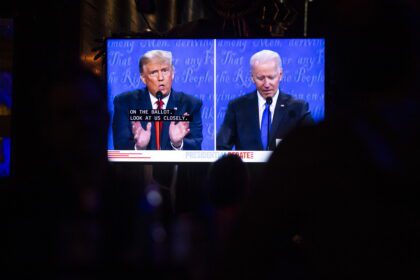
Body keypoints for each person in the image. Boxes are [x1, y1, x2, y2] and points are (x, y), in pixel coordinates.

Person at [216, 50, 314, 151]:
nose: (266, 84)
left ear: (280, 75)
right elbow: (221, 146)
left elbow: (313, 143)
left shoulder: (297, 108)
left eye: (271, 77)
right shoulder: (237, 107)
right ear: (252, 77)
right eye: (260, 78)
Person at [112, 50, 203, 150]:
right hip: (140, 166)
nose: (161, 78)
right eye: (154, 72)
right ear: (143, 78)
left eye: (165, 70)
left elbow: (196, 146)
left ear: (172, 73)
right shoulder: (125, 102)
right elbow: (120, 145)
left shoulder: (190, 105)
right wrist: (138, 147)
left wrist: (178, 144)